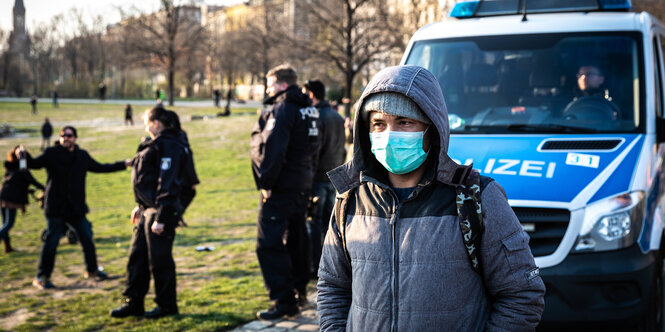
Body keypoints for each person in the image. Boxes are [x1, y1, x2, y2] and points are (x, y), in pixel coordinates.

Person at [317, 65, 545, 331]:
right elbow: (332, 286)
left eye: (405, 122)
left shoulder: (476, 197)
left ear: (431, 128)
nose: (390, 135)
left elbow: (521, 295)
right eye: (379, 124)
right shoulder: (351, 198)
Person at [250, 64, 321, 320]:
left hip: (281, 187)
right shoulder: (309, 109)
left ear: (281, 85)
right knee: (297, 238)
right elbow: (314, 148)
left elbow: (273, 149)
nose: (269, 90)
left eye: (270, 85)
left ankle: (283, 299)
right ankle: (299, 291)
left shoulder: (283, 110)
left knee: (268, 243)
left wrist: (266, 183)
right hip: (302, 183)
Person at [26, 126, 129, 289]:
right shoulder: (51, 154)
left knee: (87, 238)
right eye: (63, 135)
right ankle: (41, 277)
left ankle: (92, 270)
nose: (66, 138)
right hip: (55, 207)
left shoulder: (82, 156)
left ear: (75, 138)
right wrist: (23, 155)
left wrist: (123, 164)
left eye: (69, 135)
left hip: (75, 207)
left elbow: (101, 167)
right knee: (52, 242)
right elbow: (34, 164)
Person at [111, 107, 189, 319]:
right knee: (137, 259)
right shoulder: (153, 144)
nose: (145, 126)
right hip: (148, 210)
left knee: (160, 261)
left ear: (156, 123)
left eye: (147, 122)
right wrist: (140, 204)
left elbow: (168, 183)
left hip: (160, 212)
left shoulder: (170, 144)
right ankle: (133, 302)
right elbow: (148, 179)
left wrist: (163, 217)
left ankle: (166, 305)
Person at [301, 80, 345, 278]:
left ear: (311, 94)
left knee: (313, 225)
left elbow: (314, 150)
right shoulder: (337, 116)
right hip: (332, 177)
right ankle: (329, 264)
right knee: (329, 227)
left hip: (317, 178)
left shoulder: (316, 116)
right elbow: (342, 149)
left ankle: (316, 266)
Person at [1, 146, 44, 253]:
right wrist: (45, 188)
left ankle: (8, 248)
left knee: (5, 224)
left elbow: (18, 180)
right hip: (10, 197)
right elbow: (30, 179)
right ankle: (7, 246)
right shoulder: (14, 166)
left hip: (4, 195)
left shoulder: (12, 166)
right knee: (9, 223)